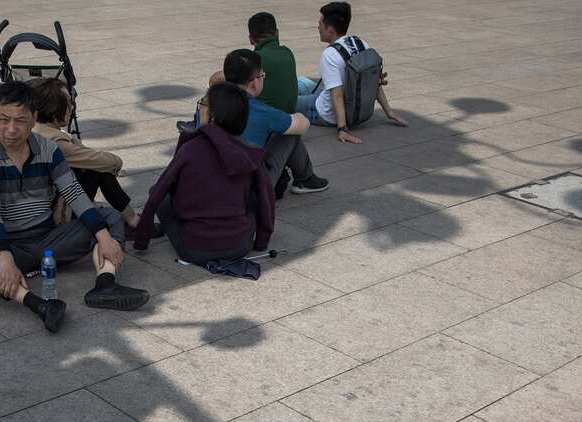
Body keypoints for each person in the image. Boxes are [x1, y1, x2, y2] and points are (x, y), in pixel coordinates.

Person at [0, 82, 149, 334]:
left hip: (50, 239)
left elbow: (74, 193)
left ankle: (105, 285)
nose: (11, 129)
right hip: (9, 245)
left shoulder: (48, 149)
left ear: (34, 118)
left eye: (20, 120)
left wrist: (103, 237)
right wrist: (4, 258)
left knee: (108, 217)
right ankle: (38, 305)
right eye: (3, 119)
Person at [134, 83, 274, 266]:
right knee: (256, 192)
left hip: (195, 249)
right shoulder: (250, 152)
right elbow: (266, 199)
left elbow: (157, 195)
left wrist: (141, 240)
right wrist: (261, 242)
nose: (200, 108)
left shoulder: (190, 148)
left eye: (203, 104)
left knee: (159, 192)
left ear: (213, 116)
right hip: (240, 246)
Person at [30, 78, 147, 231]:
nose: (72, 107)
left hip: (42, 207)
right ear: (53, 111)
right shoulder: (55, 142)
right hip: (55, 217)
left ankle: (131, 219)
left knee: (94, 166)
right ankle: (133, 221)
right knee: (98, 168)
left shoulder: (35, 129)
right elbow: (113, 162)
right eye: (68, 102)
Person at [221, 48, 328, 197]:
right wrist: (295, 116)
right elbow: (303, 126)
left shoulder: (209, 104)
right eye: (262, 75)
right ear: (254, 83)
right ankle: (306, 179)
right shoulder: (260, 110)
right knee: (290, 131)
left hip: (215, 185)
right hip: (250, 192)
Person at [296, 1, 407, 144]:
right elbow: (373, 82)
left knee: (285, 101)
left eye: (320, 24)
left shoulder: (330, 54)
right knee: (301, 82)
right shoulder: (360, 42)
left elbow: (336, 95)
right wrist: (389, 112)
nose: (318, 27)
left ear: (330, 30)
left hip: (324, 113)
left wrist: (342, 129)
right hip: (351, 108)